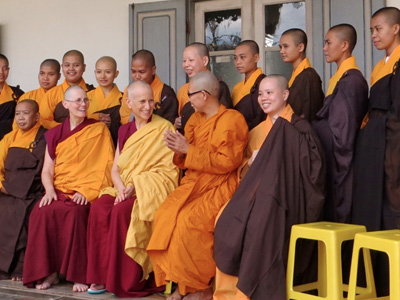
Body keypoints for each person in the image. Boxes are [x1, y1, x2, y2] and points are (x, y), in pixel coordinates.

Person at [213, 75, 325, 300]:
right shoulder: (256, 132)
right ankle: (226, 293)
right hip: (255, 198)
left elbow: (313, 171)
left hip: (288, 200)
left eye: (270, 93)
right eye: (261, 94)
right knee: (224, 219)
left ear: (285, 95)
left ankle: (246, 293)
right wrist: (252, 163)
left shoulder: (298, 129)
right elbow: (243, 173)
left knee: (259, 226)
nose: (264, 98)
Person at [147, 71, 248, 300]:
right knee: (165, 214)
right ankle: (183, 285)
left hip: (219, 183)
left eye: (190, 94)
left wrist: (188, 151)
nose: (188, 99)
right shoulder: (195, 119)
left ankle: (200, 287)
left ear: (204, 95)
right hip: (194, 181)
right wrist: (180, 151)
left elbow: (227, 162)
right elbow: (186, 156)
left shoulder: (232, 119)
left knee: (189, 222)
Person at [86, 81, 179, 297]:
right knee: (99, 208)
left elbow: (168, 171)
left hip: (150, 189)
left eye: (150, 101)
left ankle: (129, 280)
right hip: (125, 187)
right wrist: (120, 189)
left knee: (121, 212)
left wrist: (136, 186)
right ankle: (100, 277)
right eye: (142, 102)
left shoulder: (164, 128)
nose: (147, 107)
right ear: (129, 103)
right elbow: (116, 168)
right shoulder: (124, 129)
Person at [23, 86, 114, 292]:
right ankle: (50, 272)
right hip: (59, 189)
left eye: (86, 101)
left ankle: (77, 275)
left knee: (76, 212)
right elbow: (47, 170)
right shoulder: (55, 133)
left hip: (85, 190)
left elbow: (105, 167)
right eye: (78, 101)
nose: (83, 104)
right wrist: (49, 191)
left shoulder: (99, 130)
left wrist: (86, 191)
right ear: (66, 105)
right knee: (41, 212)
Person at [352, 7, 400, 296]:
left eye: (378, 29)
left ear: (395, 29)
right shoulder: (382, 64)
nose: (373, 35)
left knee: (393, 206)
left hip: (392, 148)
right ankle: (379, 284)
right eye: (371, 29)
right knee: (374, 209)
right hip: (375, 146)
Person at [312, 24, 368, 223]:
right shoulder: (340, 78)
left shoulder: (351, 81)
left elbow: (342, 134)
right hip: (334, 157)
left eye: (328, 43)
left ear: (344, 45)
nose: (324, 48)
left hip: (342, 163)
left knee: (340, 214)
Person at [0, 100, 46, 281]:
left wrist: (20, 187)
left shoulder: (45, 138)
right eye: (17, 113)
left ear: (36, 116)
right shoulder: (9, 138)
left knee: (23, 212)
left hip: (32, 191)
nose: (20, 118)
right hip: (6, 189)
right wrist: (2, 185)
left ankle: (19, 269)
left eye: (25, 113)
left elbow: (43, 169)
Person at [176, 42, 232, 133]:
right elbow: (180, 116)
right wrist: (177, 122)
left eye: (191, 60)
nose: (186, 65)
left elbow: (225, 120)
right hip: (189, 141)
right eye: (184, 61)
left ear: (205, 61)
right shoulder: (183, 90)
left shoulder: (217, 87)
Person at [119, 49, 178, 125]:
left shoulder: (165, 93)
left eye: (142, 72)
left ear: (153, 70)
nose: (137, 76)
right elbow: (124, 117)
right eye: (133, 72)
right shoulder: (128, 90)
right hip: (133, 133)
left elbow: (169, 122)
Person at [40, 50, 94, 129]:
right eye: (67, 65)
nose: (71, 69)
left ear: (84, 67)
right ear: (62, 67)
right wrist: (67, 129)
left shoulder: (93, 92)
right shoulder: (52, 94)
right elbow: (44, 121)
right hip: (61, 138)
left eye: (76, 65)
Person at [279, 28, 324, 121]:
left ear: (300, 47)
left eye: (286, 46)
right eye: (280, 47)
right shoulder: (298, 74)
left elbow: (306, 113)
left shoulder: (308, 76)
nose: (281, 51)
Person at [87, 56, 122, 146]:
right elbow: (76, 120)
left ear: (116, 74)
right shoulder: (86, 97)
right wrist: (95, 117)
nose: (103, 76)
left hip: (114, 144)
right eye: (99, 72)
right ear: (95, 73)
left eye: (108, 72)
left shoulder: (123, 98)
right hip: (90, 143)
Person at [232, 40, 266, 131]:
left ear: (256, 58)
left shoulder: (264, 84)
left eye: (242, 57)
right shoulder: (237, 88)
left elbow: (263, 117)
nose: (238, 62)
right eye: (235, 58)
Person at [0, 54, 24, 140]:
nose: (1, 72)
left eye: (5, 68)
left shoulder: (17, 93)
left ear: (8, 70)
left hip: (11, 139)